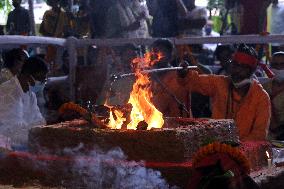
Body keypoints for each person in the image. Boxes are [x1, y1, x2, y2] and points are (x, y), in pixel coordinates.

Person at [178, 44, 271, 141]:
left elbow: (259, 135)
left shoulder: (261, 97)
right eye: (235, 65)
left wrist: (236, 149)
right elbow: (195, 82)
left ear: (251, 70)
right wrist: (184, 74)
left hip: (246, 152)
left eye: (243, 67)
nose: (237, 70)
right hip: (216, 146)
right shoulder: (220, 83)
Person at [0, 56, 48, 149]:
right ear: (26, 75)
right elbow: (13, 129)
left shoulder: (31, 94)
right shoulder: (8, 92)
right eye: (40, 79)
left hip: (23, 142)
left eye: (44, 80)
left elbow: (37, 119)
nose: (42, 83)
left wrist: (46, 130)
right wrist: (35, 136)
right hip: (5, 145)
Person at [262, 52, 284, 140]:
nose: (279, 68)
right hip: (265, 138)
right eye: (275, 65)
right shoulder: (263, 87)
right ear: (270, 67)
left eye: (282, 64)